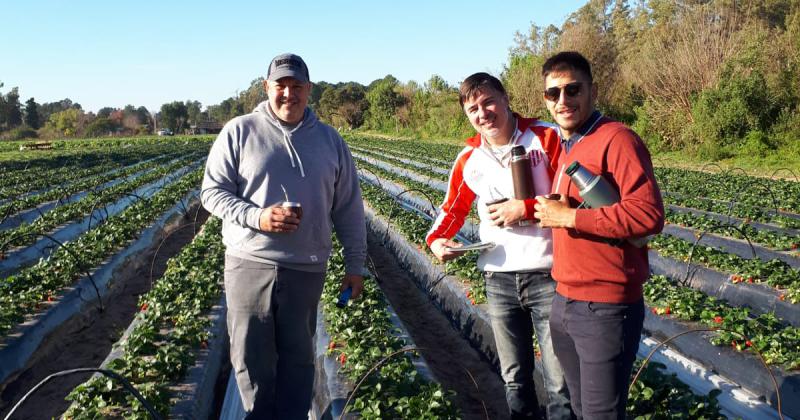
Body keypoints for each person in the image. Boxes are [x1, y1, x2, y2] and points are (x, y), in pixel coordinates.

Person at [201, 53, 367, 419]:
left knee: (298, 361)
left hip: (306, 268)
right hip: (249, 263)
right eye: (281, 86)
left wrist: (355, 265)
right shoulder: (240, 131)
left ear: (309, 90)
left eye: (297, 86)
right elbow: (212, 192)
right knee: (250, 359)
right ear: (267, 88)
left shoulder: (330, 141)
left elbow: (349, 208)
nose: (288, 94)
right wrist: (257, 217)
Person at [426, 72, 572, 420]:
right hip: (499, 278)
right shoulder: (469, 158)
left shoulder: (546, 138)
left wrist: (527, 207)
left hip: (549, 275)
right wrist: (436, 240)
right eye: (473, 108)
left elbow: (572, 198)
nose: (483, 113)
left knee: (560, 380)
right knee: (515, 379)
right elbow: (453, 208)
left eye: (488, 101)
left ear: (506, 98)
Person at [533, 51, 665, 419]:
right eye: (553, 93)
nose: (563, 101)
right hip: (565, 301)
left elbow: (648, 215)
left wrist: (571, 217)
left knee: (600, 414)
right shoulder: (569, 145)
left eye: (572, 89)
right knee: (580, 408)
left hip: (604, 306)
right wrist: (561, 209)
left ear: (592, 91)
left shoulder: (617, 139)